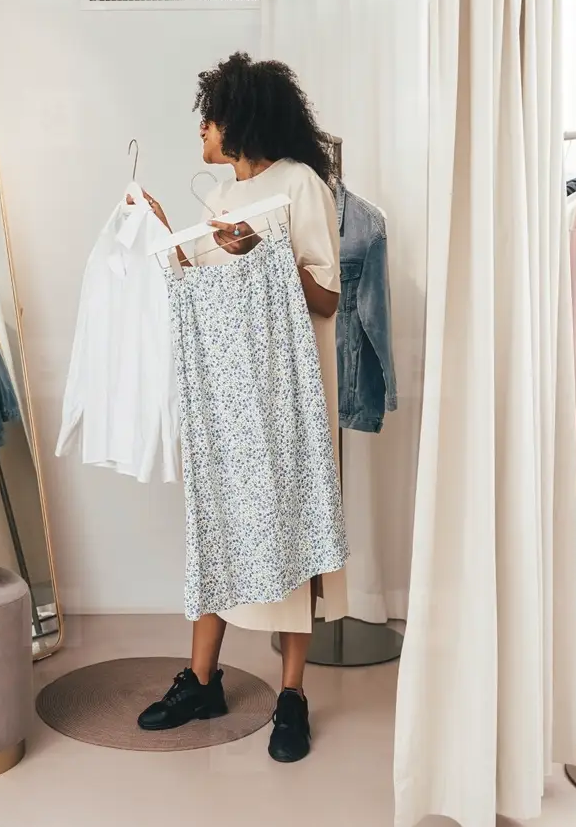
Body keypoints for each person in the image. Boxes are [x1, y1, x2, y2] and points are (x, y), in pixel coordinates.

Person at [131, 53, 344, 764]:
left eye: (210, 117)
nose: (201, 130)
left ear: (240, 120)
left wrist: (265, 252)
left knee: (290, 530)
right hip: (226, 399)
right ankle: (202, 681)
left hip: (284, 398)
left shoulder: (301, 187)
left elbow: (326, 297)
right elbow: (208, 294)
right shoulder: (219, 197)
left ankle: (292, 697)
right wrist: (169, 240)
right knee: (215, 522)